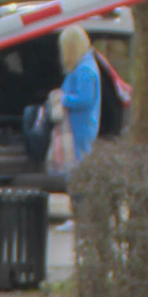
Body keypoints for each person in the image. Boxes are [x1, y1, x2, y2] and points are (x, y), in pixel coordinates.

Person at [50, 23, 102, 182]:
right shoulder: (84, 66)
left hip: (79, 127)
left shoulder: (84, 70)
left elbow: (85, 99)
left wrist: (62, 99)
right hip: (79, 126)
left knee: (76, 167)